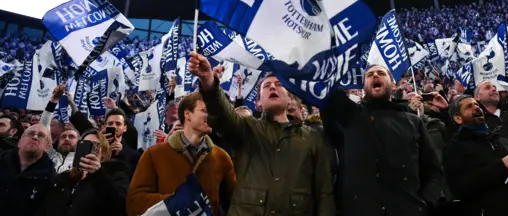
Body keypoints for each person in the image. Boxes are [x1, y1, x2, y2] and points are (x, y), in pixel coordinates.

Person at [189, 52, 334, 216]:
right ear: (258, 102)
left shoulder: (313, 138)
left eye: (279, 84)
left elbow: (324, 193)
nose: (272, 87)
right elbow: (222, 114)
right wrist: (208, 80)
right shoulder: (246, 128)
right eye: (266, 86)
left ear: (289, 98)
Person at [322, 64, 443, 216]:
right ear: (363, 86)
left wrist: (426, 203)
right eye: (370, 74)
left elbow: (432, 169)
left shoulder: (413, 122)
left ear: (393, 85)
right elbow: (328, 94)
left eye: (381, 73)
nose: (375, 75)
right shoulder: (349, 117)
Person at [127, 92, 236, 216]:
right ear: (187, 114)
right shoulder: (154, 154)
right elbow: (135, 201)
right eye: (205, 110)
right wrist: (177, 203)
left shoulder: (222, 157)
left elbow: (234, 203)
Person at [443, 96, 508, 216]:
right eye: (469, 107)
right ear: (458, 118)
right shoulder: (455, 147)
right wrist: (501, 165)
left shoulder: (496, 138)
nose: (476, 107)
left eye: (476, 104)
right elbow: (460, 186)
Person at [38, 129, 131, 216]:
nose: (90, 148)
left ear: (104, 152)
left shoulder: (116, 174)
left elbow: (119, 208)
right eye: (85, 144)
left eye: (96, 145)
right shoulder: (63, 178)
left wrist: (98, 175)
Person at [0, 124, 55, 216]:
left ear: (47, 147)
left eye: (41, 136)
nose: (35, 137)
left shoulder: (51, 179)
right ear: (19, 142)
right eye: (30, 134)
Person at [474, 81, 508, 148]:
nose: (494, 89)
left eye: (495, 87)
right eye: (487, 87)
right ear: (477, 97)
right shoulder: (475, 122)